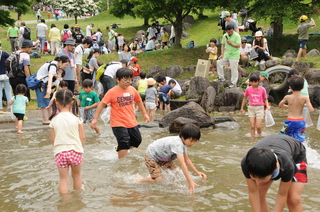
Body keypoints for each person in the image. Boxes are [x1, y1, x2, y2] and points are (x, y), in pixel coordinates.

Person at [90, 67, 150, 159]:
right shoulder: (112, 92)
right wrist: (95, 119)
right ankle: (122, 163)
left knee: (137, 141)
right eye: (125, 81)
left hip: (131, 121)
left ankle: (121, 148)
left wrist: (145, 114)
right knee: (124, 142)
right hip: (118, 123)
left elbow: (139, 101)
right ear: (117, 79)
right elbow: (101, 105)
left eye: (130, 81)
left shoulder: (132, 89)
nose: (128, 83)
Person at [241, 134, 307, 212]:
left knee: (293, 198)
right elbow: (253, 192)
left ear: (273, 171)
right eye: (254, 178)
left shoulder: (287, 165)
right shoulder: (247, 163)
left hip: (297, 155)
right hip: (269, 152)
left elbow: (282, 194)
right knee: (259, 194)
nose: (258, 182)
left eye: (262, 179)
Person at [135, 124, 207, 194]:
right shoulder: (177, 144)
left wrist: (197, 172)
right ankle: (139, 180)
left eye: (195, 141)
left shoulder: (183, 144)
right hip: (152, 156)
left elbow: (187, 160)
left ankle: (158, 176)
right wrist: (190, 181)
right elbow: (183, 164)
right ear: (183, 137)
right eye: (191, 141)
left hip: (163, 158)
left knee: (177, 172)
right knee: (160, 180)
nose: (193, 143)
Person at [49, 89, 85, 194]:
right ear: (72, 102)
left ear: (56, 103)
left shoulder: (54, 119)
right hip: (75, 151)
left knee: (63, 180)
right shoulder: (77, 118)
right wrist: (80, 149)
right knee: (77, 176)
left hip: (60, 152)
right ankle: (78, 200)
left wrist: (56, 151)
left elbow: (53, 140)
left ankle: (64, 203)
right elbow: (82, 138)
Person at [279, 76, 314, 142]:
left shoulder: (287, 97)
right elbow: (311, 110)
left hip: (289, 121)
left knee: (284, 137)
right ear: (303, 87)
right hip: (300, 121)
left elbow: (280, 105)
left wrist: (289, 107)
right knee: (300, 139)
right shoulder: (305, 98)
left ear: (290, 87)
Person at [35, 56, 70, 124]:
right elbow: (50, 76)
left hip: (45, 84)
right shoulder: (53, 66)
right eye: (65, 65)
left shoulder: (54, 65)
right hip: (42, 85)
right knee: (44, 102)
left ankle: (50, 118)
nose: (66, 66)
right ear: (60, 62)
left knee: (47, 102)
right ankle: (45, 119)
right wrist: (49, 88)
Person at [240, 74, 268, 139]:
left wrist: (267, 106)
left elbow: (265, 98)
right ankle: (253, 140)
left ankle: (260, 137)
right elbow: (245, 98)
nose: (253, 83)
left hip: (260, 108)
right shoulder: (248, 89)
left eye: (255, 82)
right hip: (251, 107)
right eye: (251, 82)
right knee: (252, 126)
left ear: (258, 81)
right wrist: (242, 108)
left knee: (258, 126)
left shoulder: (262, 89)